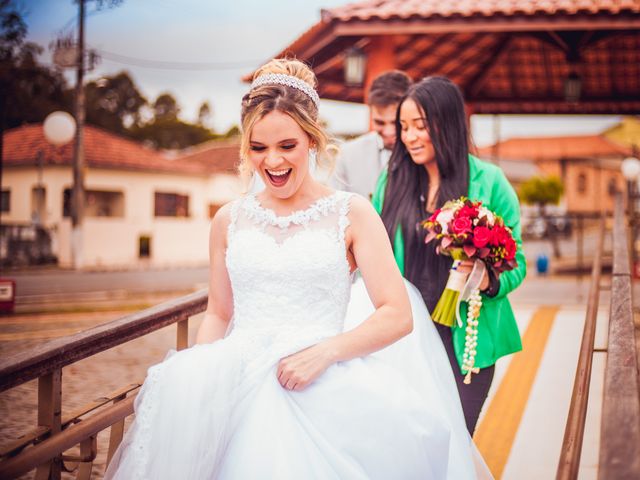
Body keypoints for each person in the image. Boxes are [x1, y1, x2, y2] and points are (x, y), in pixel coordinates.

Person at [105, 60, 489, 479]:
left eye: (287, 146)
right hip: (238, 383)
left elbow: (397, 315)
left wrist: (325, 353)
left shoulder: (352, 213)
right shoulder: (228, 220)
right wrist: (202, 376)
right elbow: (219, 312)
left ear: (312, 139)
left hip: (324, 385)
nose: (272, 162)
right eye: (258, 148)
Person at [372, 76, 527, 435]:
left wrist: (489, 280)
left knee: (455, 439)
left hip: (467, 343)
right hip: (405, 337)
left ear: (448, 123)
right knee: (409, 442)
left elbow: (516, 262)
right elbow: (373, 256)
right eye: (404, 127)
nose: (409, 137)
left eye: (420, 126)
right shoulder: (390, 181)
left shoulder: (490, 182)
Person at [330, 70, 412, 199]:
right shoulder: (347, 154)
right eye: (379, 122)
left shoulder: (424, 153)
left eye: (396, 122)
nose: (389, 131)